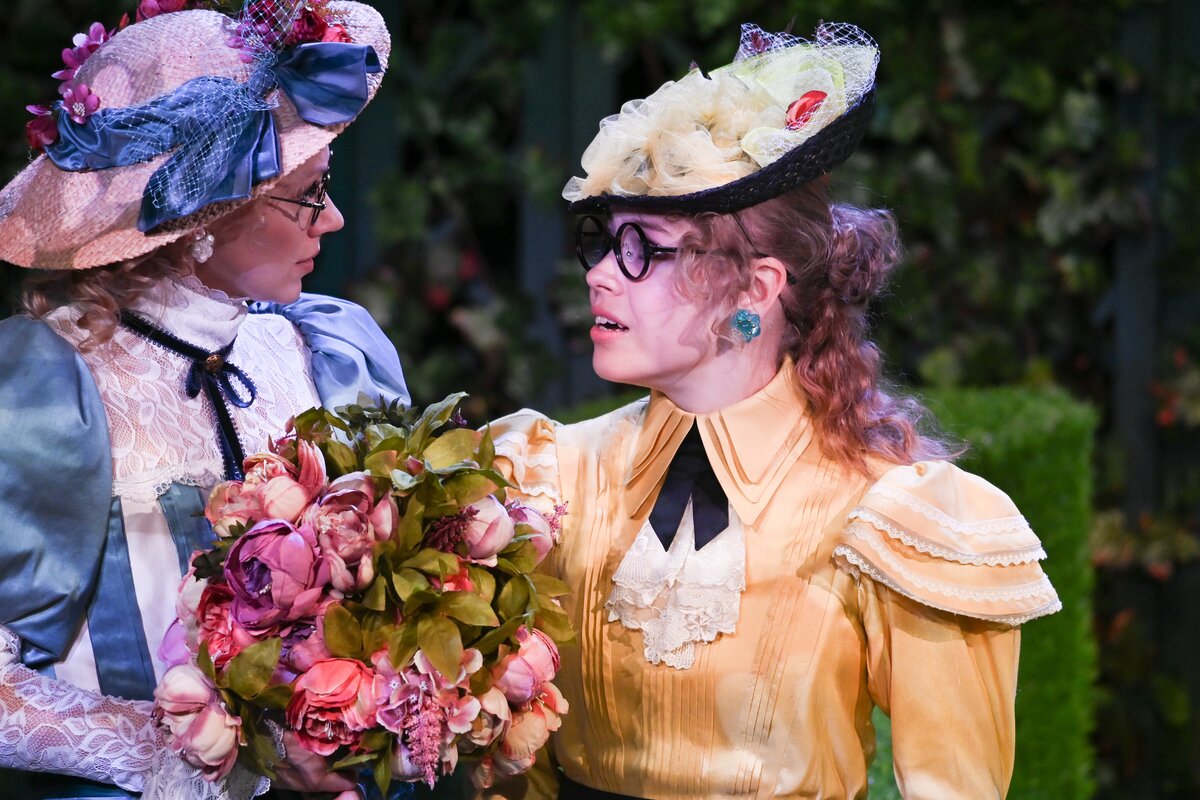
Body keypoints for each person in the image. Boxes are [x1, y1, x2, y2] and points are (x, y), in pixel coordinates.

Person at [483, 22, 1061, 799]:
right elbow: (509, 762)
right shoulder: (552, 475)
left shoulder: (883, 509)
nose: (601, 276)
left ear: (754, 291)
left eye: (645, 250)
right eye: (604, 241)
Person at [0, 1, 407, 798]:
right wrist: (195, 753)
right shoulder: (47, 386)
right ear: (203, 218)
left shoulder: (322, 347)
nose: (333, 219)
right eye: (309, 193)